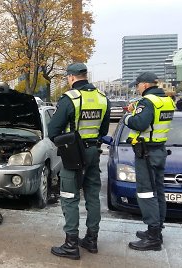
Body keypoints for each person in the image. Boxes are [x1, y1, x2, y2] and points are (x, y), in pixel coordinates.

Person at [48, 63, 110, 260]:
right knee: (92, 195)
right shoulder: (102, 98)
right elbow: (103, 130)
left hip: (73, 154)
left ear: (72, 77)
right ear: (85, 76)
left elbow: (53, 131)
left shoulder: (70, 99)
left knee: (69, 196)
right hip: (93, 151)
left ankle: (71, 244)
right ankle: (91, 240)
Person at [124, 72, 175, 251]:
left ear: (145, 85)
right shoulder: (167, 100)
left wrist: (128, 116)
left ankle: (153, 237)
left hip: (147, 153)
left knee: (146, 193)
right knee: (158, 191)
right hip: (159, 150)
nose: (137, 88)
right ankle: (156, 229)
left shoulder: (148, 101)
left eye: (137, 85)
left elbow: (139, 124)